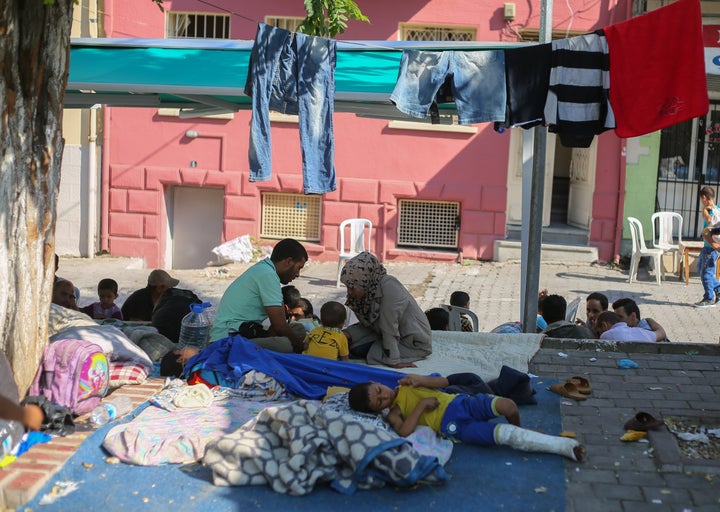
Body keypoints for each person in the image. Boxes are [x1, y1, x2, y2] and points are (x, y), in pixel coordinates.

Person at [348, 374, 584, 462]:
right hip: (452, 427)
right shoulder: (395, 413)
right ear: (378, 410)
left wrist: (421, 380)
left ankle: (525, 429)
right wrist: (420, 407)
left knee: (508, 405)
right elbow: (403, 432)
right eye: (379, 402)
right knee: (504, 436)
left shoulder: (408, 382)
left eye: (379, 391)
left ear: (377, 382)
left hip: (462, 403)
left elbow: (444, 383)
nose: (384, 397)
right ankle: (555, 445)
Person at [208, 238, 308, 353]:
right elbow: (279, 325)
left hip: (247, 332)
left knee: (298, 329)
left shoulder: (266, 270)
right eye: (299, 268)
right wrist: (301, 346)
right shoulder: (267, 275)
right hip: (227, 340)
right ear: (289, 261)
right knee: (285, 345)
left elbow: (278, 326)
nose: (298, 274)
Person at [340, 251, 432, 368]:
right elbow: (371, 324)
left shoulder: (390, 288)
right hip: (385, 333)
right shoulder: (369, 289)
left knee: (368, 353)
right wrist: (348, 334)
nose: (349, 292)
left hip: (412, 341)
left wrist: (394, 361)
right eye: (348, 287)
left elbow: (389, 326)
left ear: (365, 280)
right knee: (347, 343)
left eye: (352, 287)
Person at [694, 186, 720, 307]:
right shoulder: (717, 208)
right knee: (700, 268)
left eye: (701, 199)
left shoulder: (710, 210)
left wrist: (705, 211)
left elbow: (710, 221)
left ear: (704, 198)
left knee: (706, 273)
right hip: (708, 246)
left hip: (711, 247)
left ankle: (709, 298)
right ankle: (718, 289)